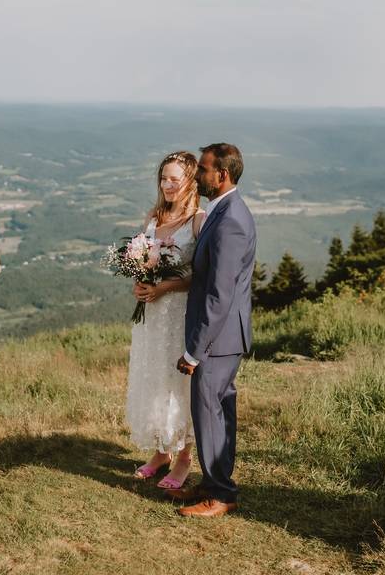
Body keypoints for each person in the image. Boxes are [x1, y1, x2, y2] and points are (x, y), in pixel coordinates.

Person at [170, 142, 256, 518]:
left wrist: (194, 350)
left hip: (218, 339)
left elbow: (219, 295)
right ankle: (213, 481)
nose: (198, 175)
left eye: (203, 170)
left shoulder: (232, 220)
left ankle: (220, 494)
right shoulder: (223, 211)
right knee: (218, 409)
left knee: (209, 410)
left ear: (221, 175)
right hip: (222, 336)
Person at [126, 151, 207, 489]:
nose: (168, 184)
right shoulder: (155, 216)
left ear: (191, 181)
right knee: (155, 379)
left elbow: (203, 274)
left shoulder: (198, 221)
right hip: (152, 315)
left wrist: (165, 287)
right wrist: (140, 282)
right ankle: (161, 452)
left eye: (175, 179)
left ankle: (185, 457)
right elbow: (144, 259)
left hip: (178, 312)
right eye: (164, 178)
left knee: (177, 384)